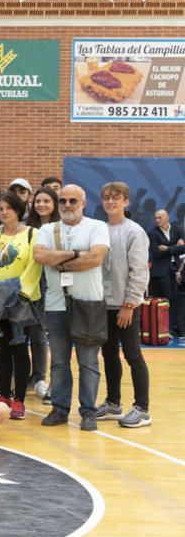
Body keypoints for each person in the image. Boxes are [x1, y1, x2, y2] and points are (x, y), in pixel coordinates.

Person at [33, 184, 110, 431]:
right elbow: (40, 257)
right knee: (58, 362)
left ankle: (88, 411)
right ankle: (60, 409)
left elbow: (96, 258)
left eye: (73, 201)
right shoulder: (47, 228)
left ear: (83, 203)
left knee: (88, 362)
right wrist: (78, 255)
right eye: (63, 201)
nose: (67, 205)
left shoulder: (97, 227)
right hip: (56, 306)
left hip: (89, 303)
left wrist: (62, 260)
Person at [0, 191, 42, 420]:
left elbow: (34, 267)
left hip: (21, 301)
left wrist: (20, 293)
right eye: (0, 209)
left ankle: (20, 400)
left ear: (18, 210)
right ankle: (4, 395)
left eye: (8, 208)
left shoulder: (33, 234)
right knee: (3, 350)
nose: (4, 212)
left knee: (20, 349)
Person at [98, 182, 152, 428]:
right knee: (109, 355)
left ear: (126, 201)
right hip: (104, 305)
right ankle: (113, 403)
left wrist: (129, 304)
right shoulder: (100, 229)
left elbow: (140, 271)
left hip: (126, 305)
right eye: (107, 198)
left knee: (132, 355)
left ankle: (142, 408)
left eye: (116, 198)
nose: (111, 202)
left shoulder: (134, 231)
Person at [27, 187, 60, 399]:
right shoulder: (27, 228)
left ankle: (45, 381)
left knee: (52, 337)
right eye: (38, 201)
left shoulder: (61, 228)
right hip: (31, 286)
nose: (41, 205)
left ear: (54, 204)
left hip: (55, 287)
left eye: (46, 201)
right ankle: (31, 378)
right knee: (31, 333)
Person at [148, 209, 185, 337]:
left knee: (176, 299)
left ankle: (177, 329)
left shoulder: (176, 230)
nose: (157, 220)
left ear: (167, 217)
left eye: (160, 217)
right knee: (167, 299)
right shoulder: (153, 233)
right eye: (156, 218)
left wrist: (167, 248)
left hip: (177, 269)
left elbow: (183, 247)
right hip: (162, 271)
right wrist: (175, 247)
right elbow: (156, 252)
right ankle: (166, 329)